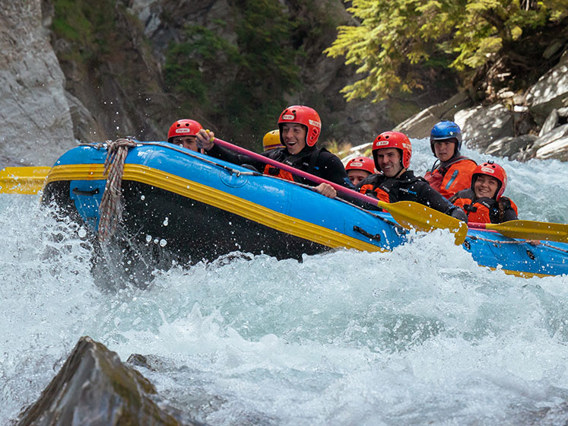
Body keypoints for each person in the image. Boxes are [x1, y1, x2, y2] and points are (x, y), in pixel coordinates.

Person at [196, 105, 353, 198]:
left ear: (310, 132)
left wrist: (333, 192)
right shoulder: (275, 156)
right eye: (285, 130)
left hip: (304, 219)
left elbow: (356, 197)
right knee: (248, 169)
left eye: (296, 131)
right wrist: (210, 147)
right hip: (269, 210)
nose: (289, 135)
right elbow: (236, 161)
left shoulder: (326, 160)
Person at [357, 131, 467, 221]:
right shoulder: (371, 181)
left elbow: (453, 211)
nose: (385, 161)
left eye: (390, 155)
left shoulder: (418, 188)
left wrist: (457, 218)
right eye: (381, 156)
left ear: (404, 156)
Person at [450, 161, 518, 223]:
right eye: (480, 180)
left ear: (499, 188)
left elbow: (515, 230)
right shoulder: (460, 196)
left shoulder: (502, 206)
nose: (484, 185)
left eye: (491, 183)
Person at [424, 121, 477, 199]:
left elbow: (446, 199)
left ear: (456, 145)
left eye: (447, 143)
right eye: (438, 144)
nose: (442, 148)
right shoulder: (437, 168)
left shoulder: (466, 167)